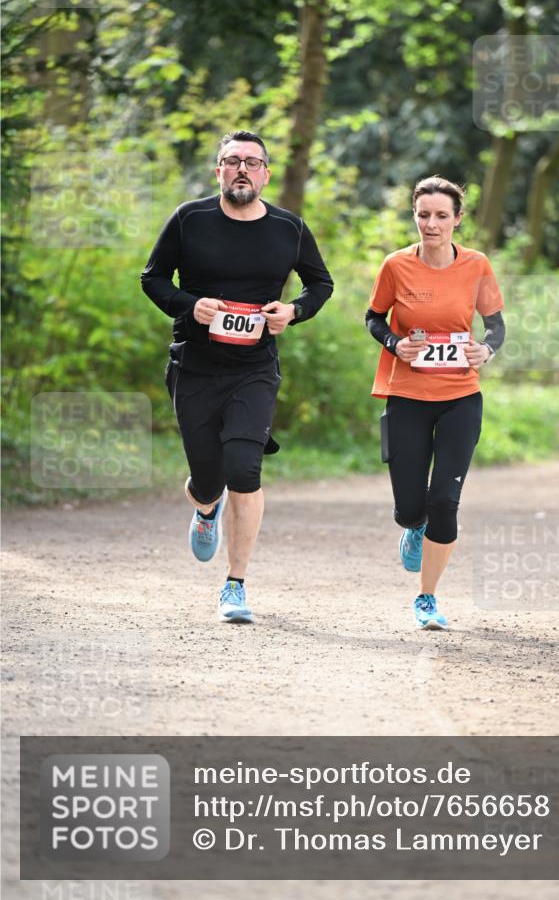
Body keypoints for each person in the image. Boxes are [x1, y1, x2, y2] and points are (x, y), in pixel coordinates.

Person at [141, 130, 333, 623]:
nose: (242, 169)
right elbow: (153, 277)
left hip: (254, 367)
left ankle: (235, 585)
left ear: (266, 173)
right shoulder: (189, 218)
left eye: (252, 161)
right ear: (219, 170)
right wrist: (189, 304)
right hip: (196, 365)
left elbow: (321, 283)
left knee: (244, 470)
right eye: (232, 161)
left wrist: (293, 311)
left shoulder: (289, 228)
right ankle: (206, 508)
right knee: (209, 479)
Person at [365, 175, 505, 631]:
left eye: (441, 215)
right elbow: (373, 317)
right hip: (407, 396)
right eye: (423, 214)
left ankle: (427, 597)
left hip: (461, 397)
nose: (431, 223)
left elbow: (496, 326)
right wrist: (393, 342)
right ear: (414, 216)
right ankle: (413, 524)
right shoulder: (396, 265)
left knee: (444, 498)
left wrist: (486, 349)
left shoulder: (477, 265)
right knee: (411, 507)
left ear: (457, 220)